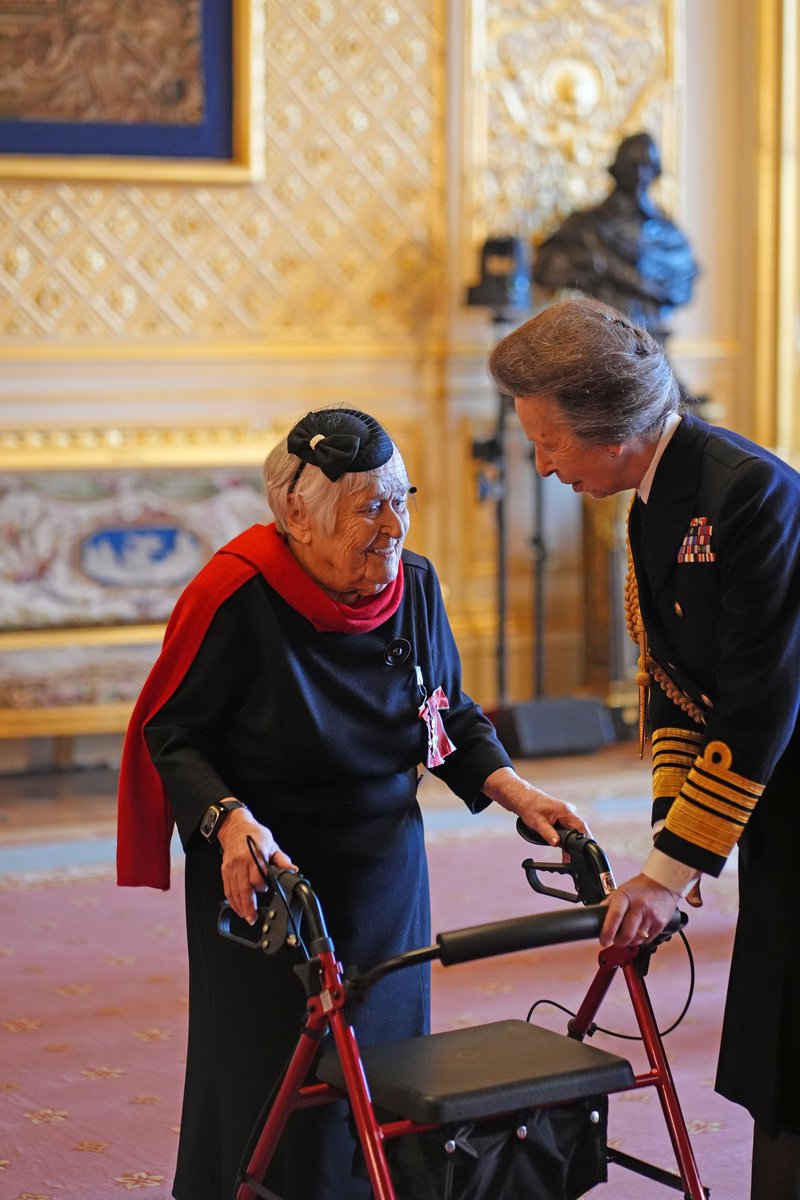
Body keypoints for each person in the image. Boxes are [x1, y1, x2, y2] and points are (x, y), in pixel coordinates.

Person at [116, 406, 588, 1200]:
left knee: (383, 1072)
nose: (395, 524)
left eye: (403, 497)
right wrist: (230, 823)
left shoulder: (417, 586)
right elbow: (174, 737)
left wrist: (513, 789)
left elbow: (447, 714)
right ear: (297, 516)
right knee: (274, 1086)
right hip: (268, 877)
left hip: (383, 873)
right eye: (371, 506)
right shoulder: (236, 596)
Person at [487, 296, 800, 1200]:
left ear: (614, 430)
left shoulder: (752, 493)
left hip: (784, 770)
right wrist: (676, 852)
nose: (543, 467)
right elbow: (672, 693)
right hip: (773, 804)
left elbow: (758, 706)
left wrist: (669, 873)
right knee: (776, 1053)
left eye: (549, 444)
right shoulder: (652, 499)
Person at [533, 132, 699, 343]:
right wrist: (591, 267)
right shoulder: (585, 227)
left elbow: (682, 288)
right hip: (601, 345)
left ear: (656, 171)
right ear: (618, 169)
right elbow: (547, 271)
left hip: (654, 350)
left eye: (646, 165)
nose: (639, 174)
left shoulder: (668, 235)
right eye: (631, 165)